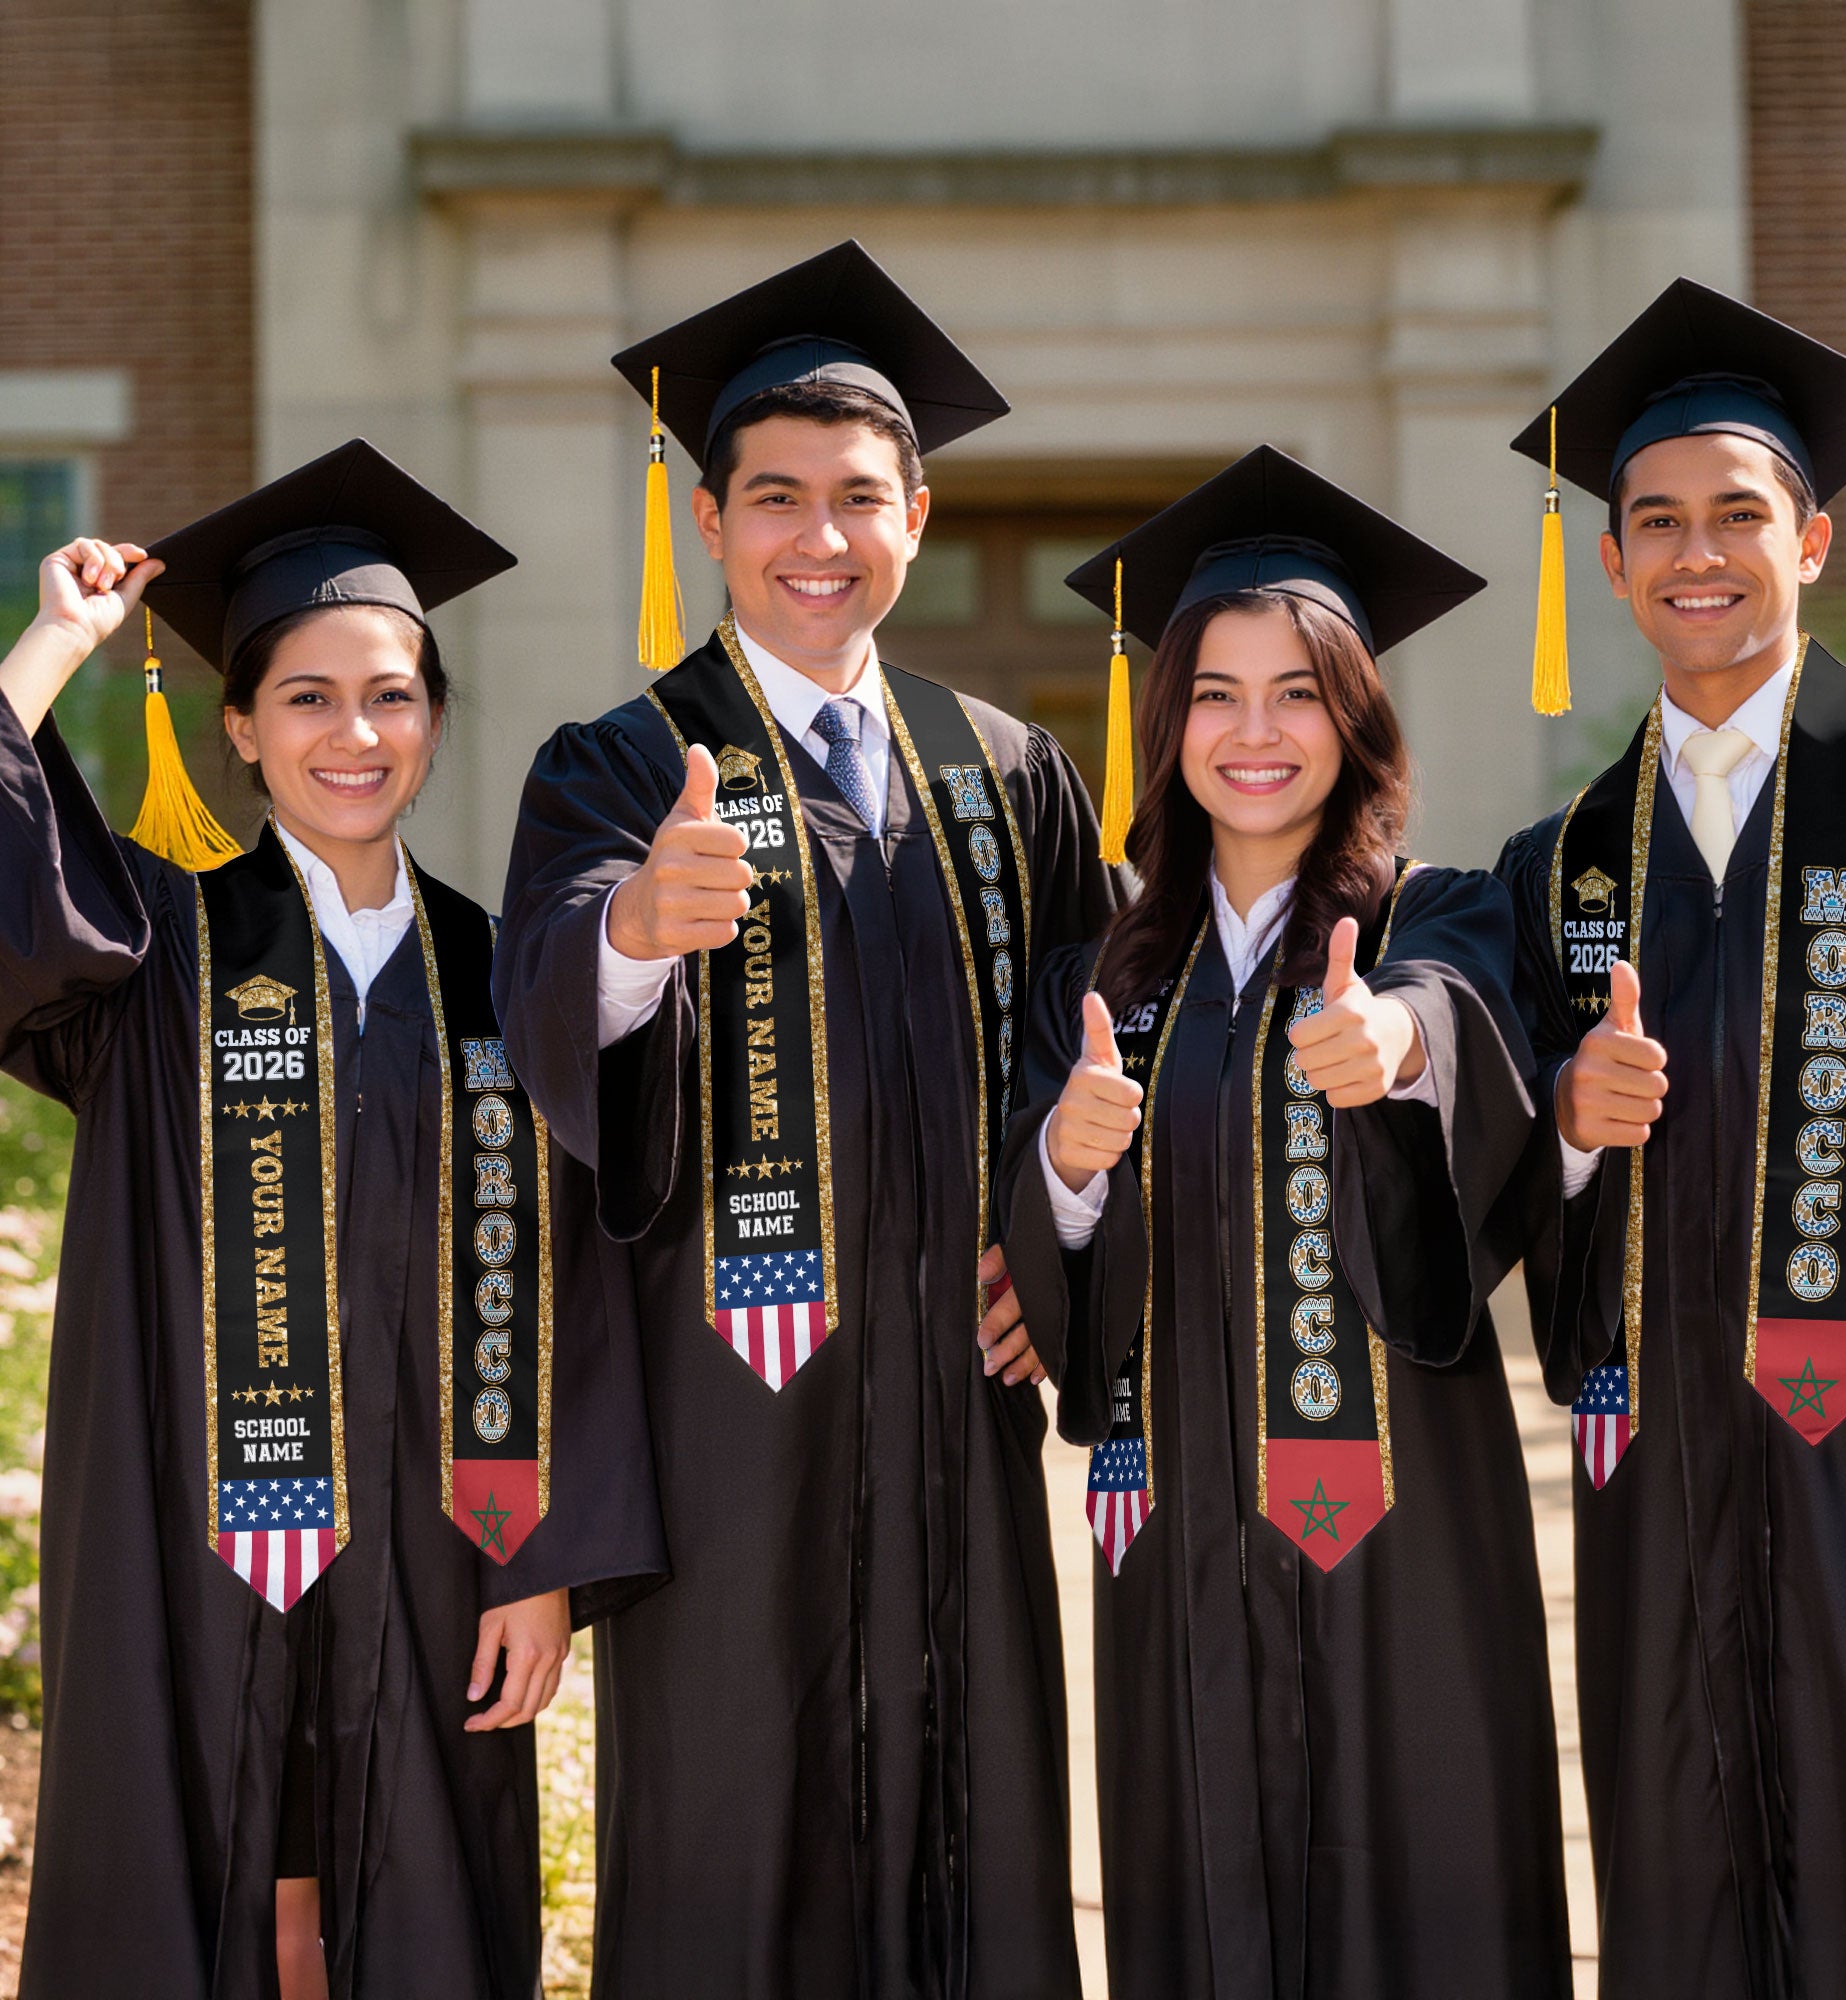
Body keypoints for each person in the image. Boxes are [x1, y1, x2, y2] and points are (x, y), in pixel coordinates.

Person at [495, 241, 1121, 1998]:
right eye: (775, 498)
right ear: (709, 521)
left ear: (917, 515)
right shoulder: (622, 763)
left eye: (858, 497)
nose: (818, 537)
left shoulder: (1005, 770)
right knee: (736, 1828)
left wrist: (1055, 1242)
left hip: (956, 1410)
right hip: (729, 1416)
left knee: (974, 1817)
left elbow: (1100, 1035)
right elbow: (546, 998)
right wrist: (634, 932)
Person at [0, 440, 663, 2000]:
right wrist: (54, 644)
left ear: (433, 718)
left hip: (442, 1548)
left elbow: (578, 1284)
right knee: (201, 1868)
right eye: (306, 697)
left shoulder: (507, 973)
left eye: (391, 696)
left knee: (418, 1895)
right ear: (239, 726)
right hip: (187, 1533)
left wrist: (543, 1560)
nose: (353, 734)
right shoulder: (156, 951)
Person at [999, 446, 1571, 1998]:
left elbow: (1459, 1020)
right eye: (1216, 694)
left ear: (1357, 717)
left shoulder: (1436, 913)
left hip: (1405, 1529)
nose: (1255, 733)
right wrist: (1065, 1163)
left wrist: (1397, 1046)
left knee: (1424, 1893)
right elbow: (1050, 1264)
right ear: (1167, 723)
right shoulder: (1103, 980)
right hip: (1178, 1525)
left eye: (1299, 694)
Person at [1497, 279, 1846, 1999]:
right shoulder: (1566, 860)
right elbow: (1497, 1171)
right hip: (1662, 1476)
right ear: (1612, 561)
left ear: (1814, 541)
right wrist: (1566, 1128)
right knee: (1684, 1885)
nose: (1695, 553)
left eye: (1737, 515)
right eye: (1656, 522)